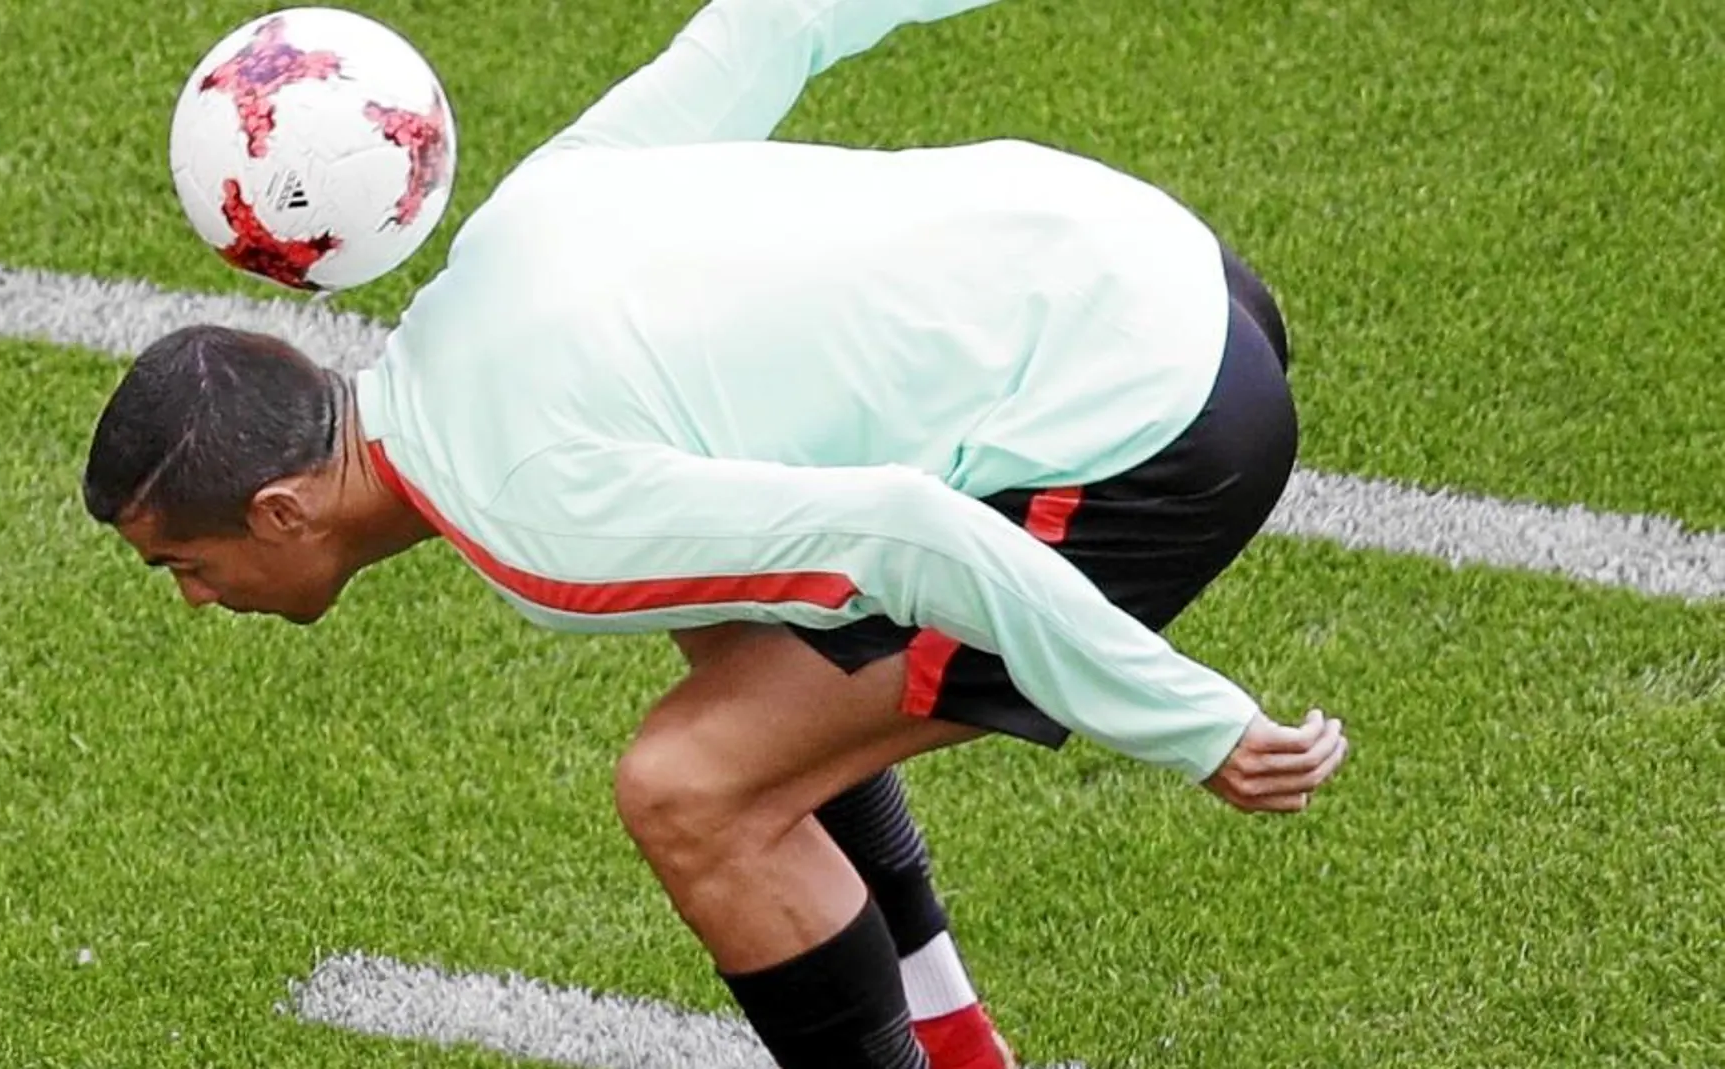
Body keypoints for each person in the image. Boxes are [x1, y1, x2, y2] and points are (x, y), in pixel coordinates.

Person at [81, 0, 1350, 1065]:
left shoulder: (533, 515)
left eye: (184, 566)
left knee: (692, 790)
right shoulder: (511, 233)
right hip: (1164, 258)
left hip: (1155, 433)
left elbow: (909, 534)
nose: (196, 599)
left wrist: (1199, 729)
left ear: (281, 510)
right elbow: (770, 22)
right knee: (726, 634)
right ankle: (957, 1038)